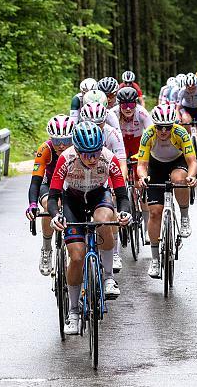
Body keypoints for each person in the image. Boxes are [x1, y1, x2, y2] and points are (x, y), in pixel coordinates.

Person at [47, 122, 132, 335]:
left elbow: (122, 195)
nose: (92, 159)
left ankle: (108, 277)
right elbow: (54, 195)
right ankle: (73, 312)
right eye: (85, 154)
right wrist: (55, 216)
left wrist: (124, 212)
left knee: (105, 219)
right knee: (76, 257)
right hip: (72, 200)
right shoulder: (65, 158)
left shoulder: (108, 158)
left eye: (95, 153)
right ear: (76, 149)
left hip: (98, 195)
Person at [135, 104, 197, 279]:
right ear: (154, 125)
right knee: (155, 212)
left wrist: (191, 177)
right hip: (155, 167)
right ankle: (155, 259)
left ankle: (184, 216)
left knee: (179, 180)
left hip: (177, 163)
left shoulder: (180, 133)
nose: (163, 131)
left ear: (173, 125)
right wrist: (142, 177)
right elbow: (142, 165)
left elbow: (192, 161)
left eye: (167, 127)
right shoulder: (148, 134)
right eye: (160, 127)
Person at [80, 102, 128, 273]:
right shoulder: (78, 134)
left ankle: (113, 252)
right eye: (92, 124)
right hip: (80, 182)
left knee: (109, 211)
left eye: (100, 123)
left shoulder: (112, 133)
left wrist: (119, 184)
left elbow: (121, 161)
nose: (96, 127)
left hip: (104, 176)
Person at [25, 114, 75, 276]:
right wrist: (32, 204)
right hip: (48, 185)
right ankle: (47, 248)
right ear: (50, 138)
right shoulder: (44, 149)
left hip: (70, 185)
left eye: (66, 140)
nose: (61, 145)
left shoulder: (78, 148)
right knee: (49, 205)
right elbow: (35, 182)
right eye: (56, 140)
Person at [112, 86, 152, 232]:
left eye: (131, 105)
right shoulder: (113, 113)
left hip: (138, 143)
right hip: (120, 142)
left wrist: (146, 156)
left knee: (140, 183)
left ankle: (147, 227)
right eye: (124, 105)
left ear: (136, 103)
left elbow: (150, 133)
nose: (128, 108)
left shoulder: (142, 113)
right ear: (119, 105)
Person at [175, 72, 197, 175]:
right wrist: (178, 119)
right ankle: (189, 147)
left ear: (196, 85)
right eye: (188, 88)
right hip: (187, 109)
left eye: (193, 88)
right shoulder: (182, 91)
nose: (190, 90)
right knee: (186, 122)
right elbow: (177, 108)